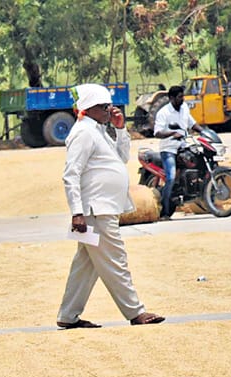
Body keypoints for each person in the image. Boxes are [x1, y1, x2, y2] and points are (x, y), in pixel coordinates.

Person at [57, 84, 164, 329]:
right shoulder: (83, 133)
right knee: (116, 259)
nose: (110, 110)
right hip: (94, 210)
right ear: (90, 108)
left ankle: (68, 315)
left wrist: (120, 128)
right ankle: (136, 312)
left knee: (85, 266)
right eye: (104, 107)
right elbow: (71, 175)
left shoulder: (99, 131)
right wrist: (77, 212)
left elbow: (121, 157)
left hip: (103, 208)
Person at [153, 84, 200, 219]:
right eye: (180, 97)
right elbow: (157, 132)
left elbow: (192, 123)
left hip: (183, 146)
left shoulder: (184, 108)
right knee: (171, 177)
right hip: (168, 149)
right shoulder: (163, 113)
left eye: (183, 96)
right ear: (171, 98)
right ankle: (165, 211)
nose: (183, 99)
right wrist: (172, 133)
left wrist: (206, 132)